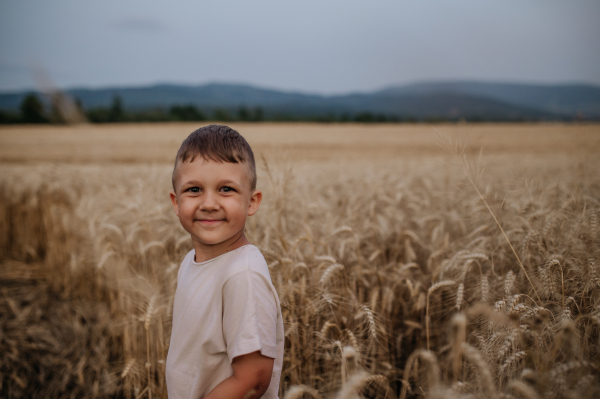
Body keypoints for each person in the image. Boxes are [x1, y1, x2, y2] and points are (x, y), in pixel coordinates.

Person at [166, 125, 284, 399]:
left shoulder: (242, 276)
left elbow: (253, 379)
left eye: (226, 189)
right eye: (194, 189)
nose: (209, 203)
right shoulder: (189, 262)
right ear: (175, 202)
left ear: (252, 202)